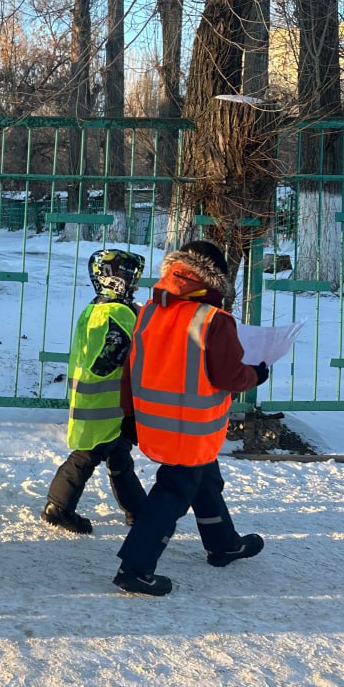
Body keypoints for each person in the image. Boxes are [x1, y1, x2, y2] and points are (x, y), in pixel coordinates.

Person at [113, 241, 269, 596]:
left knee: (205, 480)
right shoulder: (215, 320)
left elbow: (130, 368)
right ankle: (134, 568)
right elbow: (229, 376)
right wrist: (255, 375)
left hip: (154, 421)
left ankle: (223, 543)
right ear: (215, 278)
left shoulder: (150, 311)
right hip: (194, 427)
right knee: (174, 490)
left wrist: (129, 414)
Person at [41, 249, 148, 535]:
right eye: (130, 279)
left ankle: (138, 509)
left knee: (119, 456)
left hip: (102, 400)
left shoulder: (97, 308)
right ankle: (58, 507)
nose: (135, 285)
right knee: (87, 456)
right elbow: (108, 358)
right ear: (115, 281)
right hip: (106, 402)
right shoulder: (116, 312)